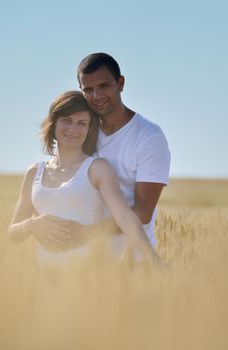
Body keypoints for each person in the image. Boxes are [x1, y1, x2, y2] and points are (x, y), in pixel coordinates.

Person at [8, 91, 162, 265]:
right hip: (44, 280)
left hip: (89, 278)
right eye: (66, 120)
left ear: (90, 130)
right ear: (53, 123)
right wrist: (32, 225)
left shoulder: (97, 168)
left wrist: (153, 260)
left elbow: (125, 217)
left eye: (81, 123)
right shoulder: (34, 172)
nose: (73, 129)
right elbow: (13, 233)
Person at [55, 53, 171, 258]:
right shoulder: (81, 132)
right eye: (88, 90)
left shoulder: (149, 137)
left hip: (132, 260)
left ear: (120, 83)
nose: (97, 96)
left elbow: (143, 214)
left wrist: (85, 233)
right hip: (85, 261)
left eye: (104, 86)